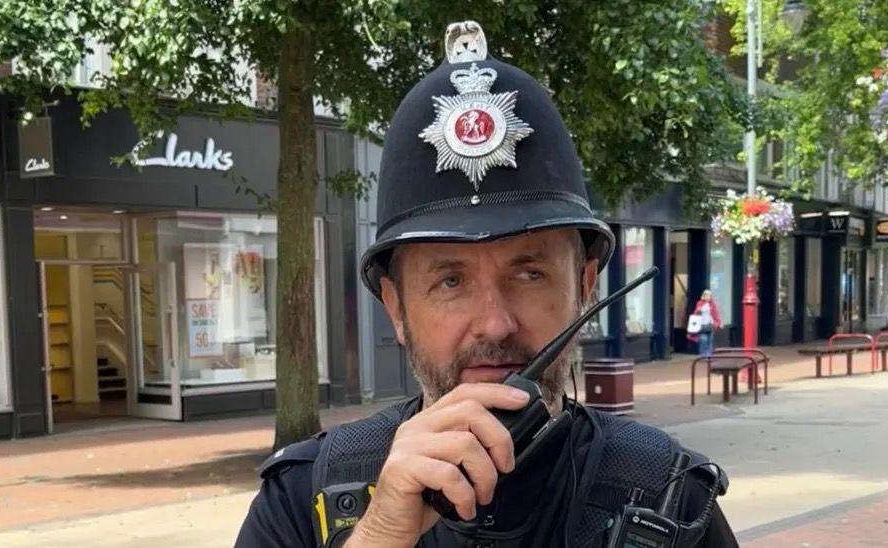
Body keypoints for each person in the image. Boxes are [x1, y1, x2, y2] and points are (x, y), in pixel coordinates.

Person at [235, 21, 738, 548]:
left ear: (584, 286)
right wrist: (379, 533)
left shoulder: (670, 499)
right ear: (396, 307)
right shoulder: (300, 500)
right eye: (451, 280)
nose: (496, 322)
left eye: (529, 274)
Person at [692, 290, 722, 357]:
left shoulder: (713, 304)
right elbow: (695, 313)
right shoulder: (699, 303)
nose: (708, 297)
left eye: (709, 296)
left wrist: (718, 323)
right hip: (702, 324)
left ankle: (709, 356)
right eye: (707, 295)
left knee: (710, 341)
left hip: (710, 324)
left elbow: (716, 314)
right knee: (703, 341)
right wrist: (698, 310)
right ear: (703, 296)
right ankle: (703, 355)